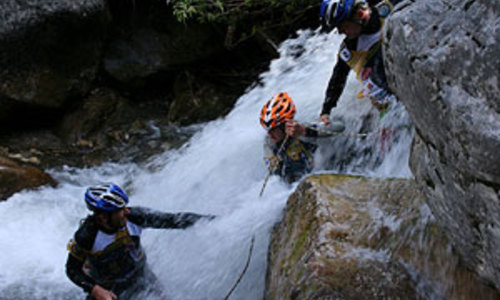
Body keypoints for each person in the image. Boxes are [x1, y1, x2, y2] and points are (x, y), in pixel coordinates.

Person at [66, 183, 214, 300]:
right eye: (120, 210)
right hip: (108, 288)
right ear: (103, 217)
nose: (127, 211)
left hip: (142, 277)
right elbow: (72, 269)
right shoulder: (86, 236)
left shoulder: (135, 217)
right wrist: (95, 290)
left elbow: (174, 220)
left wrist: (217, 222)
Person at [319, 0, 400, 126]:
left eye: (342, 26)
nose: (340, 32)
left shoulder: (391, 7)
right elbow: (337, 78)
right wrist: (326, 111)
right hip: (390, 108)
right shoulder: (349, 49)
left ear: (359, 14)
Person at [260, 92, 344, 183]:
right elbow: (274, 174)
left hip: (324, 173)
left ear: (284, 126)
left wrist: (304, 131)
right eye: (267, 129)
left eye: (273, 129)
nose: (269, 133)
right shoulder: (269, 141)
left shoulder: (301, 129)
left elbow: (340, 127)